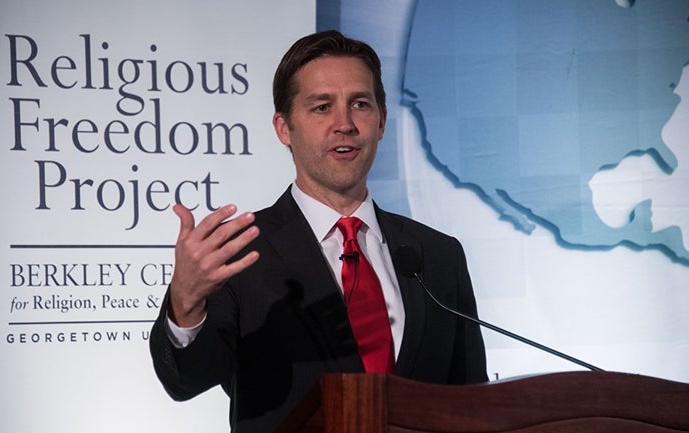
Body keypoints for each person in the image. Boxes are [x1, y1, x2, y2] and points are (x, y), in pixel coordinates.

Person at [149, 30, 488, 433]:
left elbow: (472, 403)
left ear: (380, 122)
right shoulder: (239, 252)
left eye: (360, 104)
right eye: (322, 107)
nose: (344, 124)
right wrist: (185, 305)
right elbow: (185, 380)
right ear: (283, 128)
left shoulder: (438, 255)